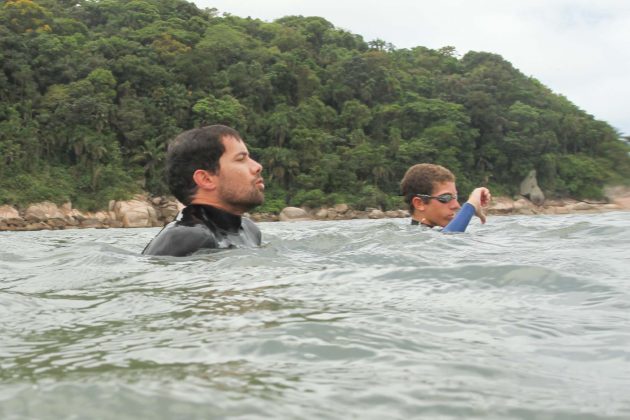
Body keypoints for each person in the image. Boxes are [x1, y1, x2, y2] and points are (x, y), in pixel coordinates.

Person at [142, 125, 265, 256]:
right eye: (240, 159)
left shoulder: (250, 230)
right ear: (206, 179)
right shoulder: (185, 237)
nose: (257, 166)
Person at [400, 163, 491, 233]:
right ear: (419, 204)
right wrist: (472, 204)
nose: (456, 205)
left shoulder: (434, 234)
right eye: (446, 197)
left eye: (455, 197)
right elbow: (451, 235)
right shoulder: (415, 239)